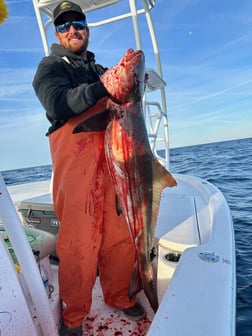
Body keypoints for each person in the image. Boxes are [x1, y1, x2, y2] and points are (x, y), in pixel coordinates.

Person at [32, 1, 146, 336]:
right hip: (77, 166)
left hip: (113, 163)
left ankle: (118, 295)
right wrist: (103, 87)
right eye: (65, 25)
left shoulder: (99, 69)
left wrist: (126, 81)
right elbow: (57, 102)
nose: (73, 30)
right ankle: (74, 315)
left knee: (119, 235)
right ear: (57, 33)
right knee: (78, 242)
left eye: (78, 23)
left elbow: (123, 94)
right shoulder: (50, 67)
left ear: (87, 27)